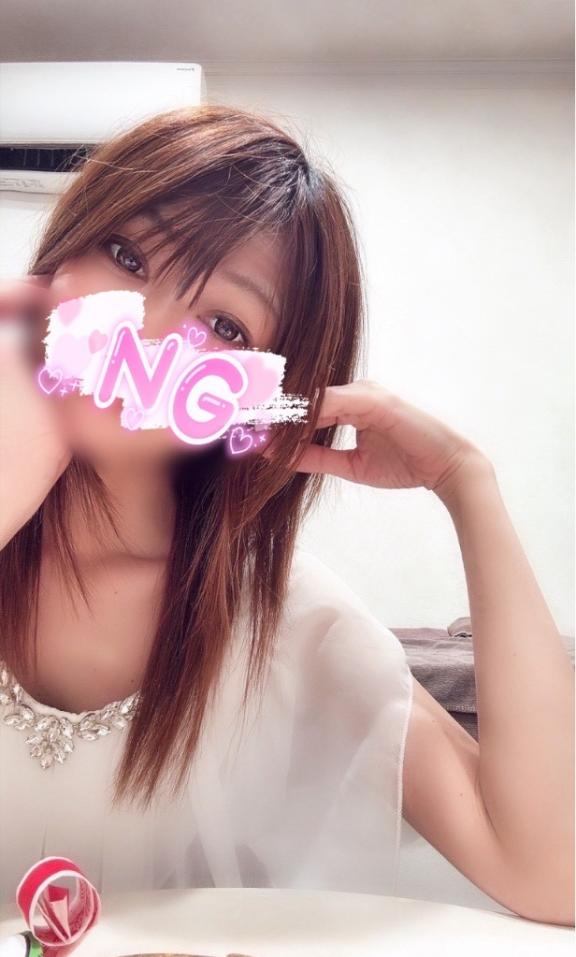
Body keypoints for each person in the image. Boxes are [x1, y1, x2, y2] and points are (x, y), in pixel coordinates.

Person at [0, 104, 573, 926]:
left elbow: (554, 872)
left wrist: (465, 482)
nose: (147, 332)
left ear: (264, 391)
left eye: (223, 325)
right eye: (126, 256)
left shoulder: (281, 620)